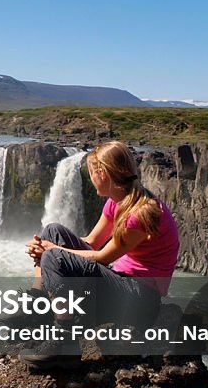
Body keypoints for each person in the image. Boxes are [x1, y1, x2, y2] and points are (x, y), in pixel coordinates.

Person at [25, 140, 179, 333]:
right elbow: (91, 243)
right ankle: (34, 304)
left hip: (139, 298)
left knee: (54, 256)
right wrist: (44, 246)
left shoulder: (141, 214)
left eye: (91, 174)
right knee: (52, 231)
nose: (91, 179)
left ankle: (63, 336)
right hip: (119, 279)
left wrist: (52, 250)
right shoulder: (117, 201)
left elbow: (103, 257)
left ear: (103, 174)